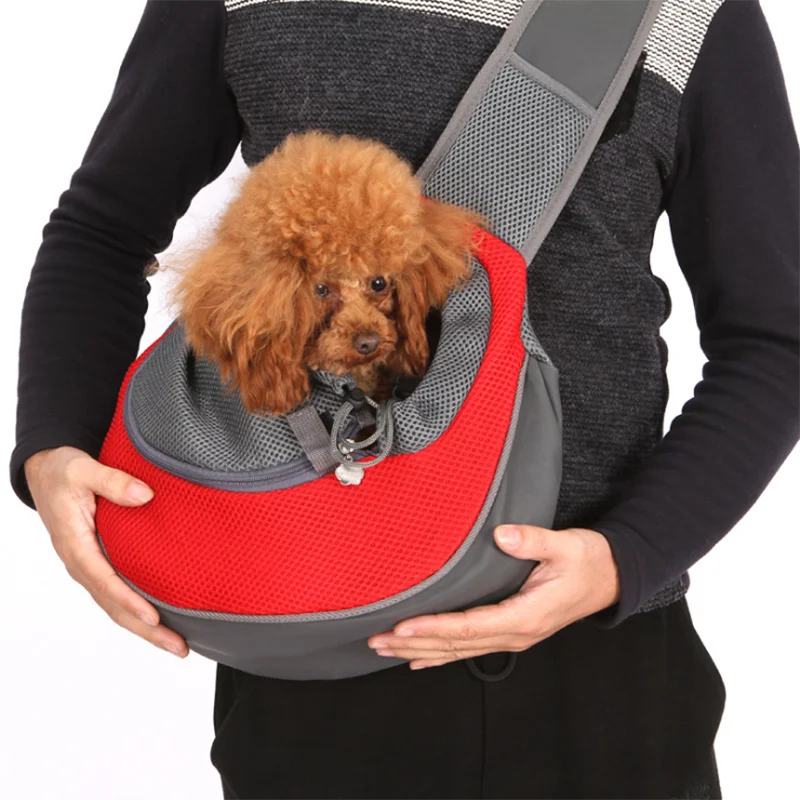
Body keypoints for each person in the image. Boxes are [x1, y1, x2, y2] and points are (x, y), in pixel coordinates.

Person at [13, 0, 800, 797]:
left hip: (601, 668)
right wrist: (53, 444)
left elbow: (776, 337)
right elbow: (103, 230)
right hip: (309, 635)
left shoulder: (695, 12)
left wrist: (627, 557)